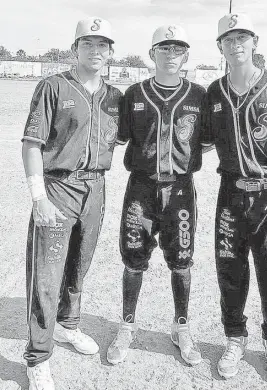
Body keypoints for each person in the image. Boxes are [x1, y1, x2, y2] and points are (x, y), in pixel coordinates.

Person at [202, 13, 267, 386]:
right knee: (230, 270)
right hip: (231, 195)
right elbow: (203, 141)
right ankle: (234, 338)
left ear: (255, 41)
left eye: (242, 36)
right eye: (228, 39)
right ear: (220, 47)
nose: (236, 43)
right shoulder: (214, 91)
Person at [22, 17, 122, 390]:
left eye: (103, 45)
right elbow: (32, 144)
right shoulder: (53, 86)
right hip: (58, 187)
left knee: (79, 266)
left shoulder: (115, 97)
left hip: (96, 187)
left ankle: (68, 326)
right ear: (74, 48)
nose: (96, 51)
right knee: (46, 275)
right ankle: (37, 356)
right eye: (88, 44)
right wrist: (38, 198)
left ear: (111, 52)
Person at [107, 25, 207, 366]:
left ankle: (181, 326)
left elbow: (204, 141)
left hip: (180, 189)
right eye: (164, 48)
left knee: (181, 260)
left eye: (178, 48)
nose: (171, 54)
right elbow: (120, 136)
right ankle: (127, 324)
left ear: (186, 55)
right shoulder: (134, 93)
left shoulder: (199, 95)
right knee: (134, 257)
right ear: (152, 54)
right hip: (141, 187)